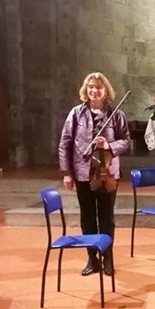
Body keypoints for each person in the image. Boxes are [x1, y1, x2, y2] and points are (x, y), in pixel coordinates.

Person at [58, 72, 131, 277]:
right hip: (82, 172)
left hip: (107, 173)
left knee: (106, 218)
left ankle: (107, 258)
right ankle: (92, 259)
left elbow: (126, 141)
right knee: (87, 218)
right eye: (90, 86)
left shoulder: (116, 114)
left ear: (105, 90)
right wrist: (67, 172)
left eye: (98, 87)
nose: (94, 90)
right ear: (85, 89)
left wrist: (109, 145)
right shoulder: (76, 113)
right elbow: (65, 143)